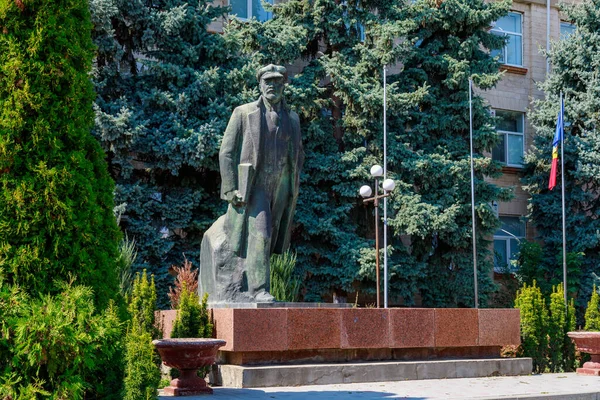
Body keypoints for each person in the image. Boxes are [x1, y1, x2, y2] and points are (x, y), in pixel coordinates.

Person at [199, 64, 304, 302]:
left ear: (283, 87)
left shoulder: (293, 119)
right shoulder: (243, 113)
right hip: (254, 187)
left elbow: (297, 154)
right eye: (268, 82)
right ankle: (259, 290)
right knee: (262, 233)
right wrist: (230, 189)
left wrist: (292, 185)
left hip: (281, 187)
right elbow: (226, 152)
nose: (272, 87)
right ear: (260, 85)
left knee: (271, 237)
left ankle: (253, 285)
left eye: (278, 83)